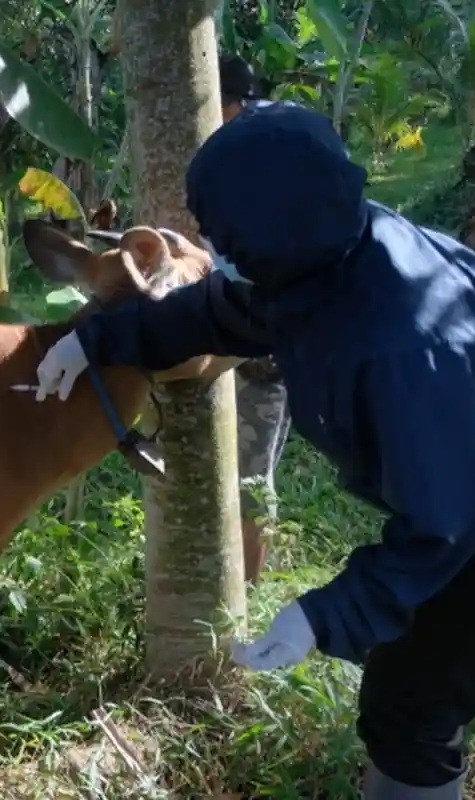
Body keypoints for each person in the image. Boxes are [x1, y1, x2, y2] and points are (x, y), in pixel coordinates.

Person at [31, 100, 475, 798]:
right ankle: (461, 695)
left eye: (224, 238)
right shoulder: (318, 256)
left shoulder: (405, 345)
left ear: (274, 243)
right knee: (431, 652)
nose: (213, 249)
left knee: (408, 707)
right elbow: (219, 310)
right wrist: (95, 340)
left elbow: (451, 515)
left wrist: (323, 616)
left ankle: (438, 728)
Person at [216, 53, 292, 584]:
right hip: (231, 338)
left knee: (250, 480)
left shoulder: (266, 161)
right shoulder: (233, 156)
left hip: (264, 351)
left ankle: (248, 587)